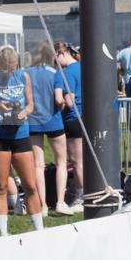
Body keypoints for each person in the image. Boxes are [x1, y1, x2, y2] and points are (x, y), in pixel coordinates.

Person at [0, 46, 43, 235]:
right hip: (0, 135)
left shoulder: (24, 76)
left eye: (13, 67)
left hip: (21, 134)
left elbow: (31, 103)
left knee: (30, 185)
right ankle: (3, 234)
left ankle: (39, 230)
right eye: (7, 68)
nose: (11, 71)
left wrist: (25, 112)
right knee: (1, 186)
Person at [26, 43, 69, 216]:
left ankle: (42, 205)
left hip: (33, 122)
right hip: (54, 121)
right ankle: (60, 201)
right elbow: (59, 100)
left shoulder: (25, 73)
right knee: (61, 162)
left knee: (38, 165)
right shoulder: (56, 74)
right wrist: (64, 103)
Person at [55, 42, 84, 212]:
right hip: (84, 117)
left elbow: (69, 101)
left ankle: (81, 197)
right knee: (82, 160)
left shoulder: (68, 73)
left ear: (61, 53)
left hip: (73, 118)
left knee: (77, 161)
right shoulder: (82, 68)